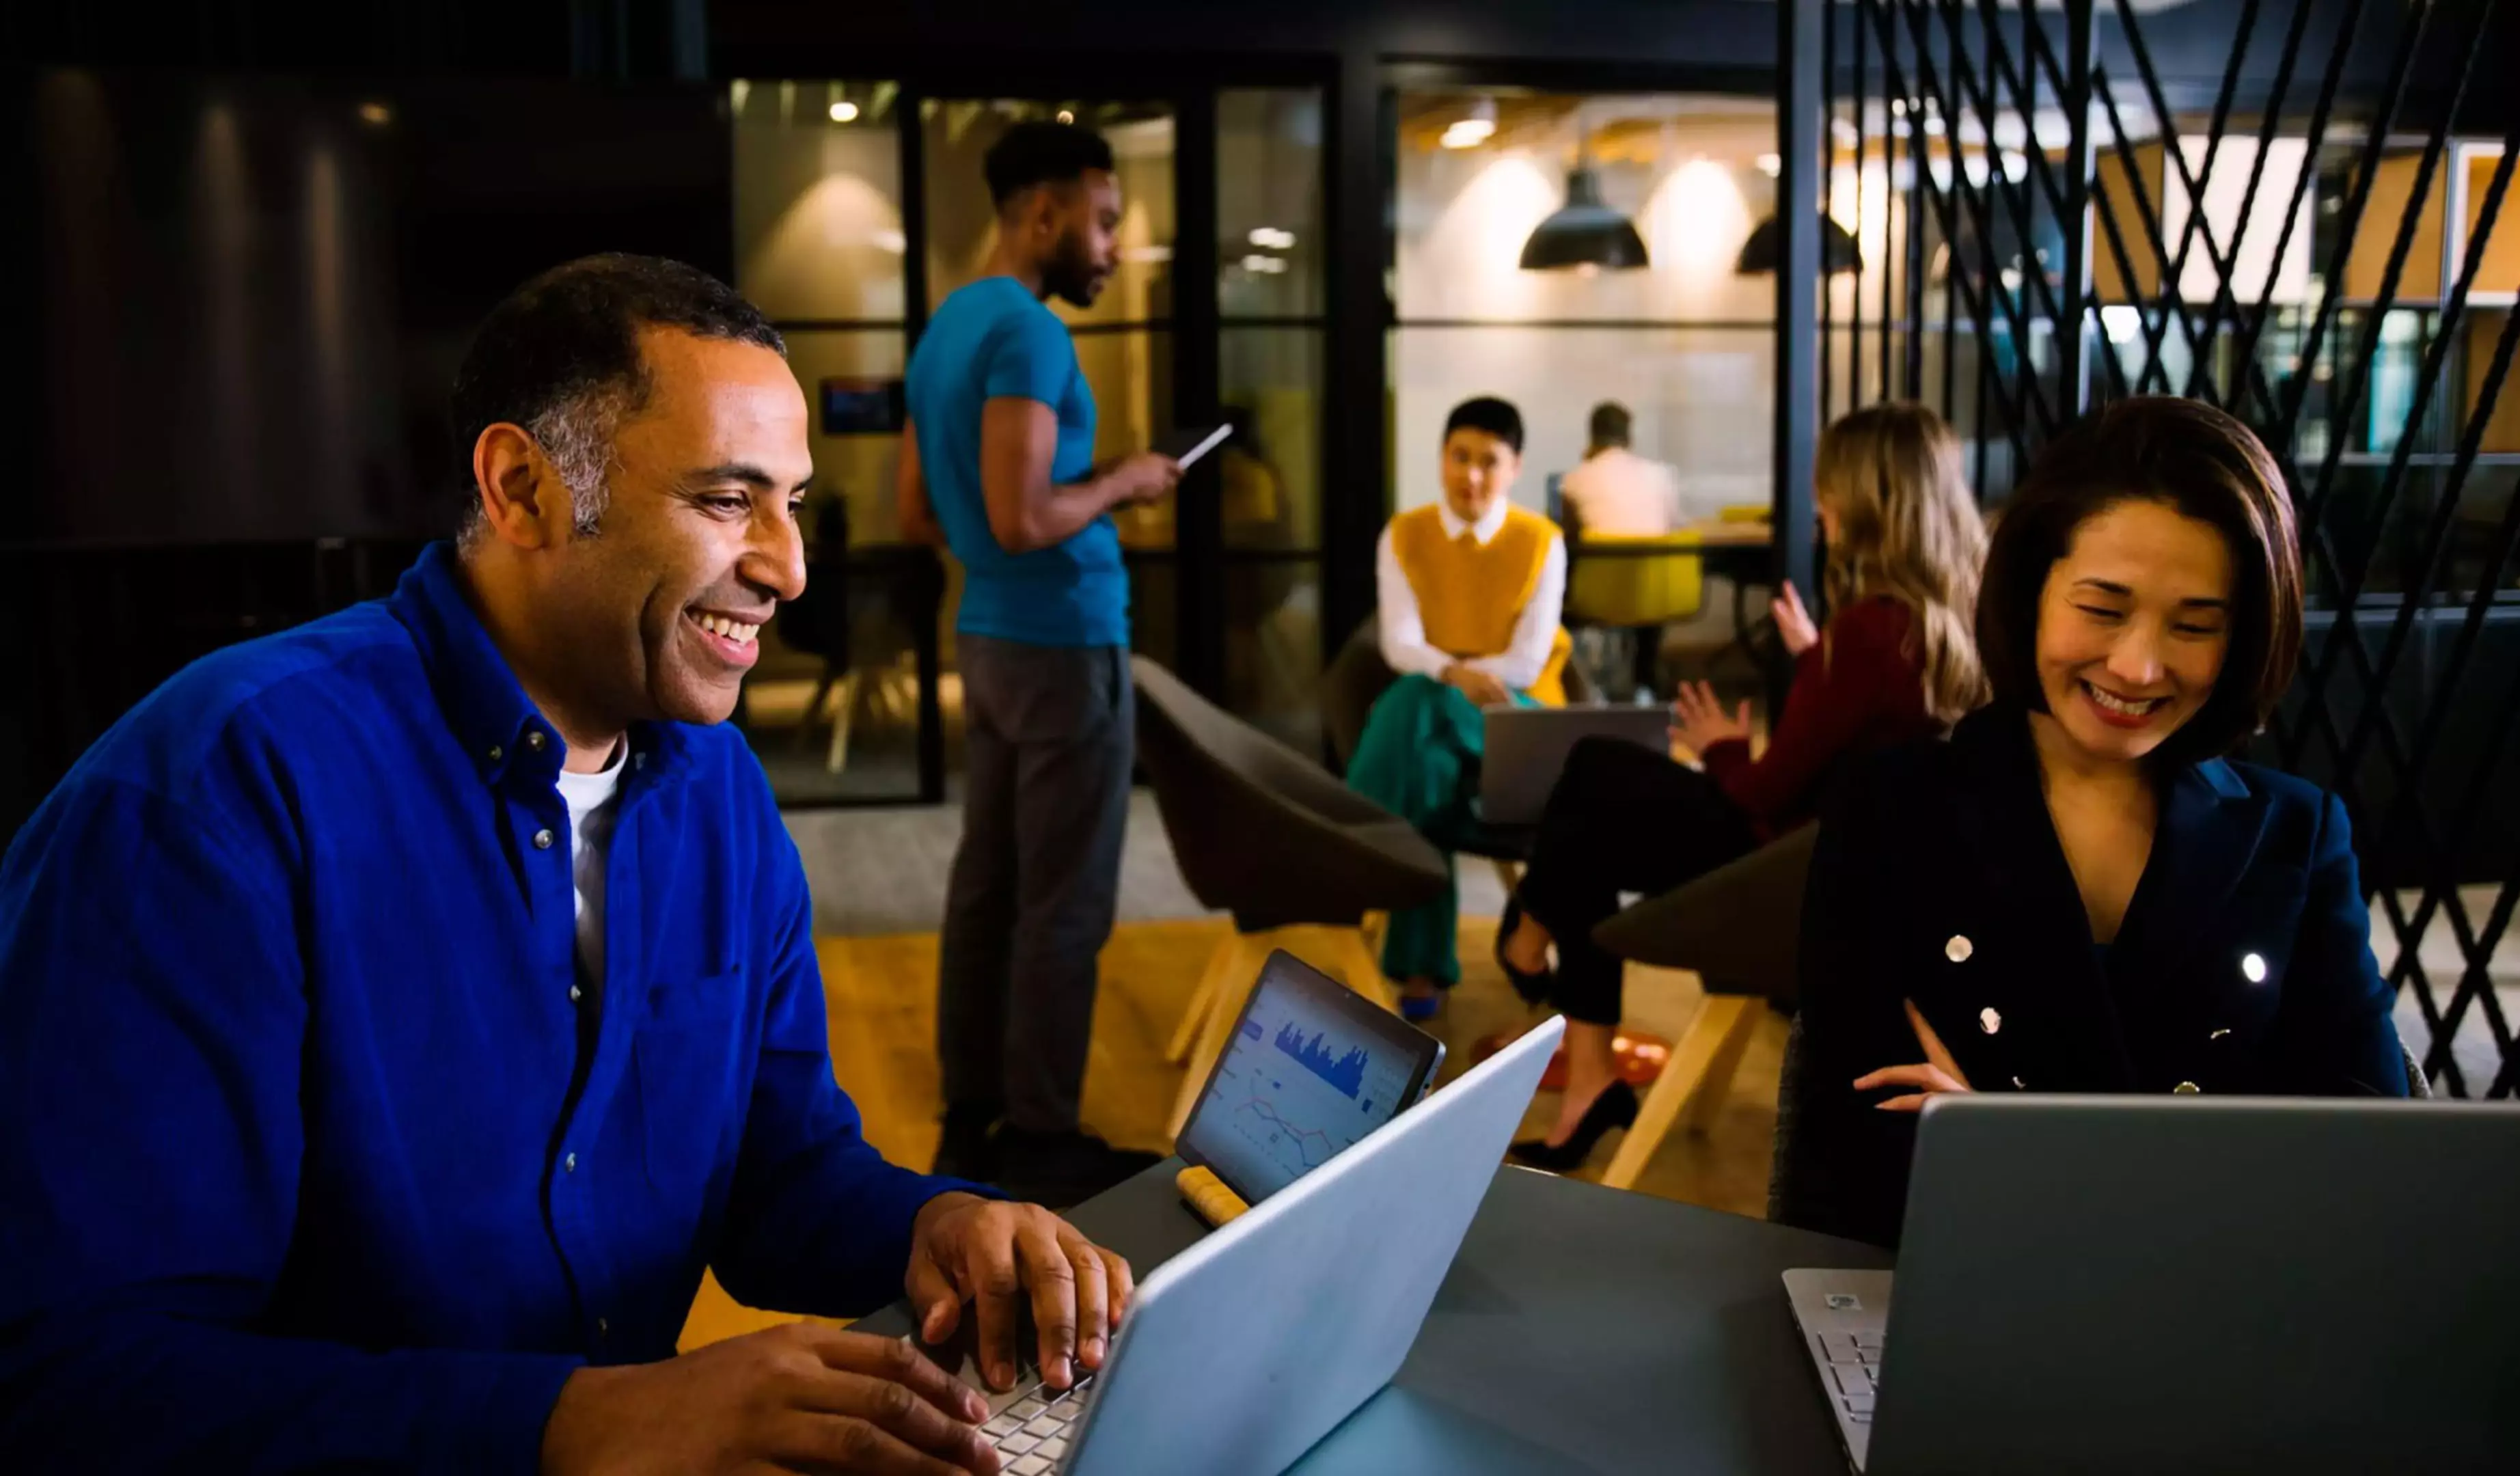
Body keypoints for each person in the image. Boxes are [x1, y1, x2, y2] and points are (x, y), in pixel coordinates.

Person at [0, 254, 1136, 1473]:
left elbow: (777, 1171)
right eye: (724, 501)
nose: (788, 567)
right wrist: (574, 1423)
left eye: (792, 501)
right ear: (522, 489)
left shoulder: (719, 793)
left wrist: (937, 1223)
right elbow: (70, 1376)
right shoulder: (213, 798)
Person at [1792, 396, 2410, 1249]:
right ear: (2031, 588)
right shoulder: (1894, 811)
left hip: (2226, 1324)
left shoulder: (2295, 837)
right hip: (1949, 1302)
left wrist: (2009, 1151)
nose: (2137, 665)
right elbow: (1850, 1161)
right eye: (2103, 608)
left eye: (2195, 625)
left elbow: (2371, 1161)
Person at [1498, 402, 1989, 1170]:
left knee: (1595, 770)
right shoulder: (1953, 617)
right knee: (1591, 813)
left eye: (1828, 490)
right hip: (1837, 868)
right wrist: (1817, 663)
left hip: (1788, 876)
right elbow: (1866, 743)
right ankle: (1585, 1069)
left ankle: (1531, 930)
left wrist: (1722, 746)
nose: (1819, 509)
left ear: (1865, 500)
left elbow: (1757, 794)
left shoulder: (1868, 634)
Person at [898, 120, 1183, 1203]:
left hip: (990, 636)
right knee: (1063, 901)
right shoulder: (1027, 334)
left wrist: (1036, 508)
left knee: (989, 884)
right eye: (1105, 222)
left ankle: (971, 1116)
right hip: (1064, 642)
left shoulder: (945, 331)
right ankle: (1043, 1137)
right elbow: (1023, 517)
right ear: (1046, 213)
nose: (1112, 246)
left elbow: (921, 510)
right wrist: (1122, 481)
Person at [1349, 396, 1570, 1020]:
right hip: (1437, 708)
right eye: (1459, 457)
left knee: (1418, 702)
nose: (1471, 475)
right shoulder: (1404, 535)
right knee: (1428, 771)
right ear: (1441, 457)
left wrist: (1453, 676)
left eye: (1489, 462)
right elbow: (1401, 643)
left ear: (1516, 467)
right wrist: (1450, 674)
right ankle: (1421, 967)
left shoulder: (1541, 542)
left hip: (1516, 713)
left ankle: (1356, 838)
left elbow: (1526, 663)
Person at [1558, 400, 1681, 538]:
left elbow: (1567, 533)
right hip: (1657, 559)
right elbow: (1673, 527)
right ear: (1629, 438)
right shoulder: (1660, 475)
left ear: (1592, 437)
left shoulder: (1575, 479)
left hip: (1601, 559)